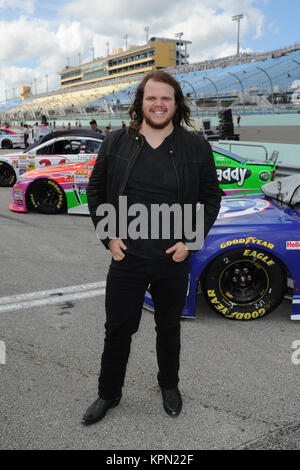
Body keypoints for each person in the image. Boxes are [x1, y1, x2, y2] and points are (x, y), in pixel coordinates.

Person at [83, 70, 221, 425]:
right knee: (117, 330)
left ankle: (169, 385)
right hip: (126, 258)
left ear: (177, 104)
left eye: (166, 98)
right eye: (151, 98)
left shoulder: (196, 146)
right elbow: (96, 193)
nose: (158, 104)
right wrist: (109, 237)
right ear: (140, 103)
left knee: (169, 327)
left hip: (172, 261)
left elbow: (210, 198)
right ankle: (108, 393)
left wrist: (189, 242)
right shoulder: (116, 142)